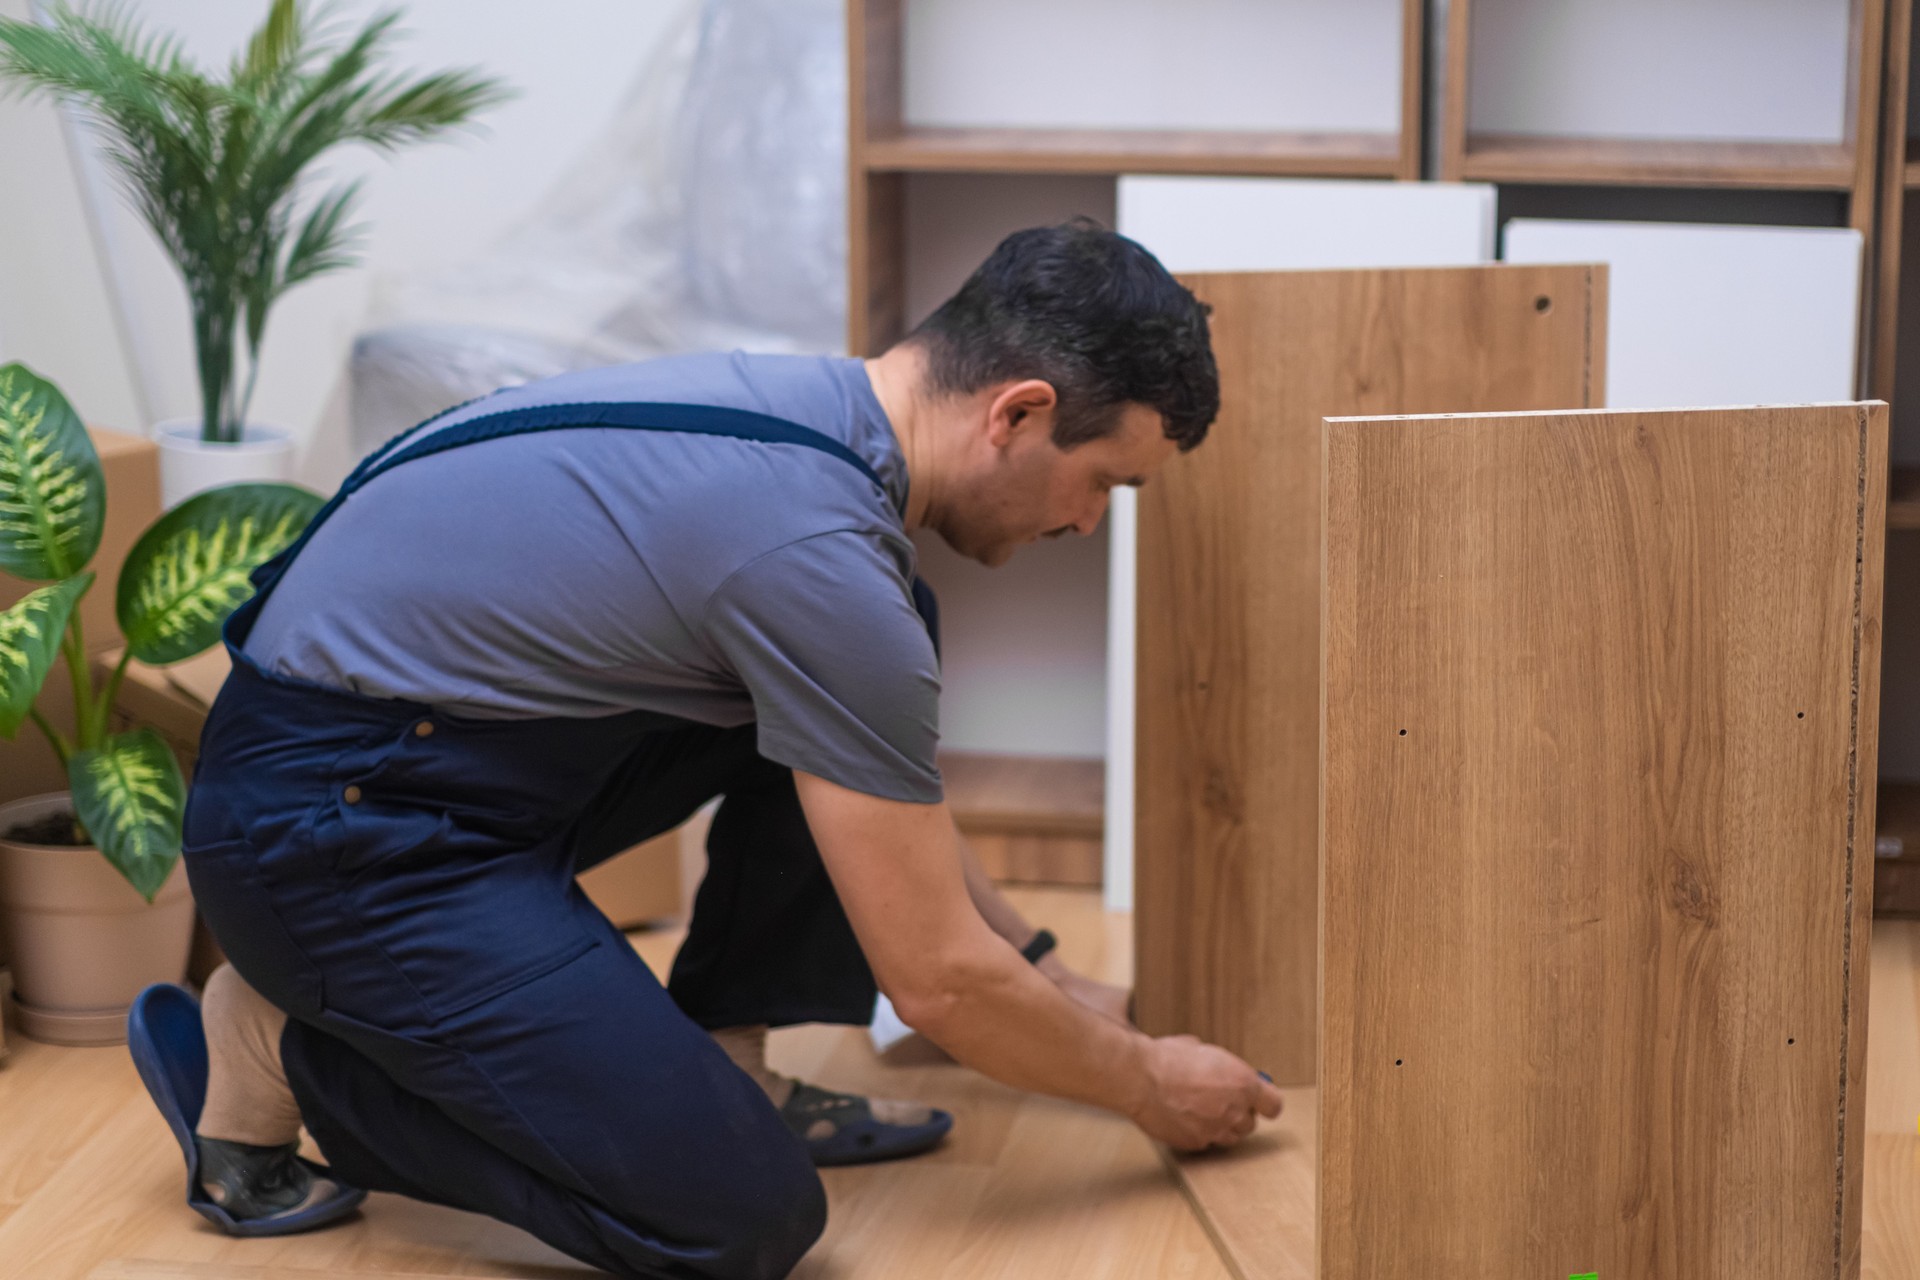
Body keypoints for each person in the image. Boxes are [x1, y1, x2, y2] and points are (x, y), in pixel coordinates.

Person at [127, 219, 1284, 1280]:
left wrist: (1045, 967)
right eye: (1104, 485)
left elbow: (890, 804)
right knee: (739, 1217)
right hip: (331, 831)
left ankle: (729, 1059)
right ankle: (283, 1046)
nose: (1086, 522)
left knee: (877, 650)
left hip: (429, 759)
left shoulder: (810, 413)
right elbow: (934, 982)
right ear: (1019, 412)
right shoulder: (816, 555)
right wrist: (1149, 1083)